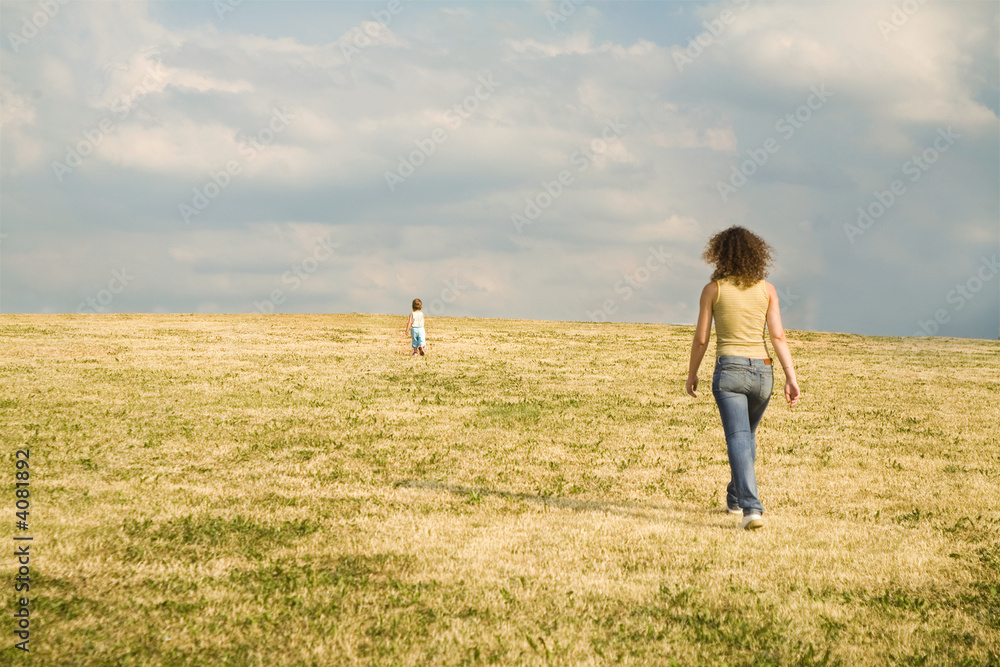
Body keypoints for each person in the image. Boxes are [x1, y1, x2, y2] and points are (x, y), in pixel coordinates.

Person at [685, 226, 800, 530]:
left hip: (730, 370)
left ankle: (751, 508)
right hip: (763, 371)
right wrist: (790, 376)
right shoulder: (768, 289)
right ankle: (735, 499)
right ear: (756, 254)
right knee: (746, 436)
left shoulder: (713, 290)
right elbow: (777, 335)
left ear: (720, 253)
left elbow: (701, 339)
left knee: (738, 437)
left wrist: (692, 373)